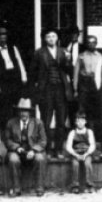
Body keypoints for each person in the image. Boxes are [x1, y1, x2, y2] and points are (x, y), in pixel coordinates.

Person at [31, 26, 72, 155]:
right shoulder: (39, 53)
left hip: (61, 89)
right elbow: (32, 72)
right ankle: (47, 148)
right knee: (46, 121)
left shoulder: (64, 51)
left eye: (53, 36)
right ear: (44, 39)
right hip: (46, 90)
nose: (51, 39)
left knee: (61, 120)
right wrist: (37, 88)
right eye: (48, 36)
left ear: (57, 38)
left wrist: (68, 60)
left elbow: (69, 70)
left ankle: (59, 149)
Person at [3, 97, 47, 196]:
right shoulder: (11, 123)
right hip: (17, 151)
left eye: (26, 111)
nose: (23, 113)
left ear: (30, 112)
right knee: (13, 159)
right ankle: (16, 188)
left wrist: (34, 150)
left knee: (40, 158)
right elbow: (7, 140)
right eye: (21, 111)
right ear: (18, 112)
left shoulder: (38, 123)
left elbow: (43, 141)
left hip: (32, 151)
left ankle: (39, 187)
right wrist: (16, 147)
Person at [0, 24, 27, 126]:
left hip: (15, 78)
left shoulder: (13, 48)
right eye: (1, 36)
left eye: (4, 36)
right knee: (6, 106)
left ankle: (17, 128)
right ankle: (7, 128)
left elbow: (20, 62)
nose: (3, 38)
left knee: (17, 103)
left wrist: (23, 76)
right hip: (4, 81)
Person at [74, 34, 102, 147]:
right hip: (84, 84)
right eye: (89, 42)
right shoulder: (81, 56)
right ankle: (80, 138)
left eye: (93, 42)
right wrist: (76, 88)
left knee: (94, 112)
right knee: (82, 110)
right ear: (87, 44)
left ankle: (94, 137)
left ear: (96, 43)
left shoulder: (100, 56)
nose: (91, 44)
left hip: (95, 84)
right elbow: (76, 72)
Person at [64, 109, 97, 193]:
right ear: (75, 122)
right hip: (76, 153)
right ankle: (75, 185)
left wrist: (86, 154)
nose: (80, 123)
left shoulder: (89, 132)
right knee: (75, 164)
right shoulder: (72, 132)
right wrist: (75, 155)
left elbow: (92, 145)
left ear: (85, 122)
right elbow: (68, 146)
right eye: (78, 121)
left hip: (86, 153)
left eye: (82, 121)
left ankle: (90, 185)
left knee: (88, 164)